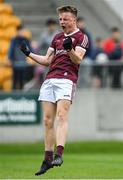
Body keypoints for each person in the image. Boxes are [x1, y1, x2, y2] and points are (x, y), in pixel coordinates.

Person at [20, 6, 88, 176]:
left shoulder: (81, 37)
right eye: (60, 19)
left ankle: (59, 154)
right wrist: (29, 53)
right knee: (47, 120)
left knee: (61, 116)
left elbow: (77, 59)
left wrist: (69, 49)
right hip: (49, 80)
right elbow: (46, 60)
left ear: (73, 19)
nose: (62, 22)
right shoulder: (57, 37)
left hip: (66, 79)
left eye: (65, 19)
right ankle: (47, 159)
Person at [8, 25, 33, 90]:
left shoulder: (26, 40)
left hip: (24, 64)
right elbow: (11, 50)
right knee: (15, 80)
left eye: (22, 31)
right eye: (19, 31)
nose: (21, 32)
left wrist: (30, 59)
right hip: (15, 63)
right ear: (17, 31)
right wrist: (10, 59)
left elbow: (31, 50)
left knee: (22, 81)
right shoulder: (14, 40)